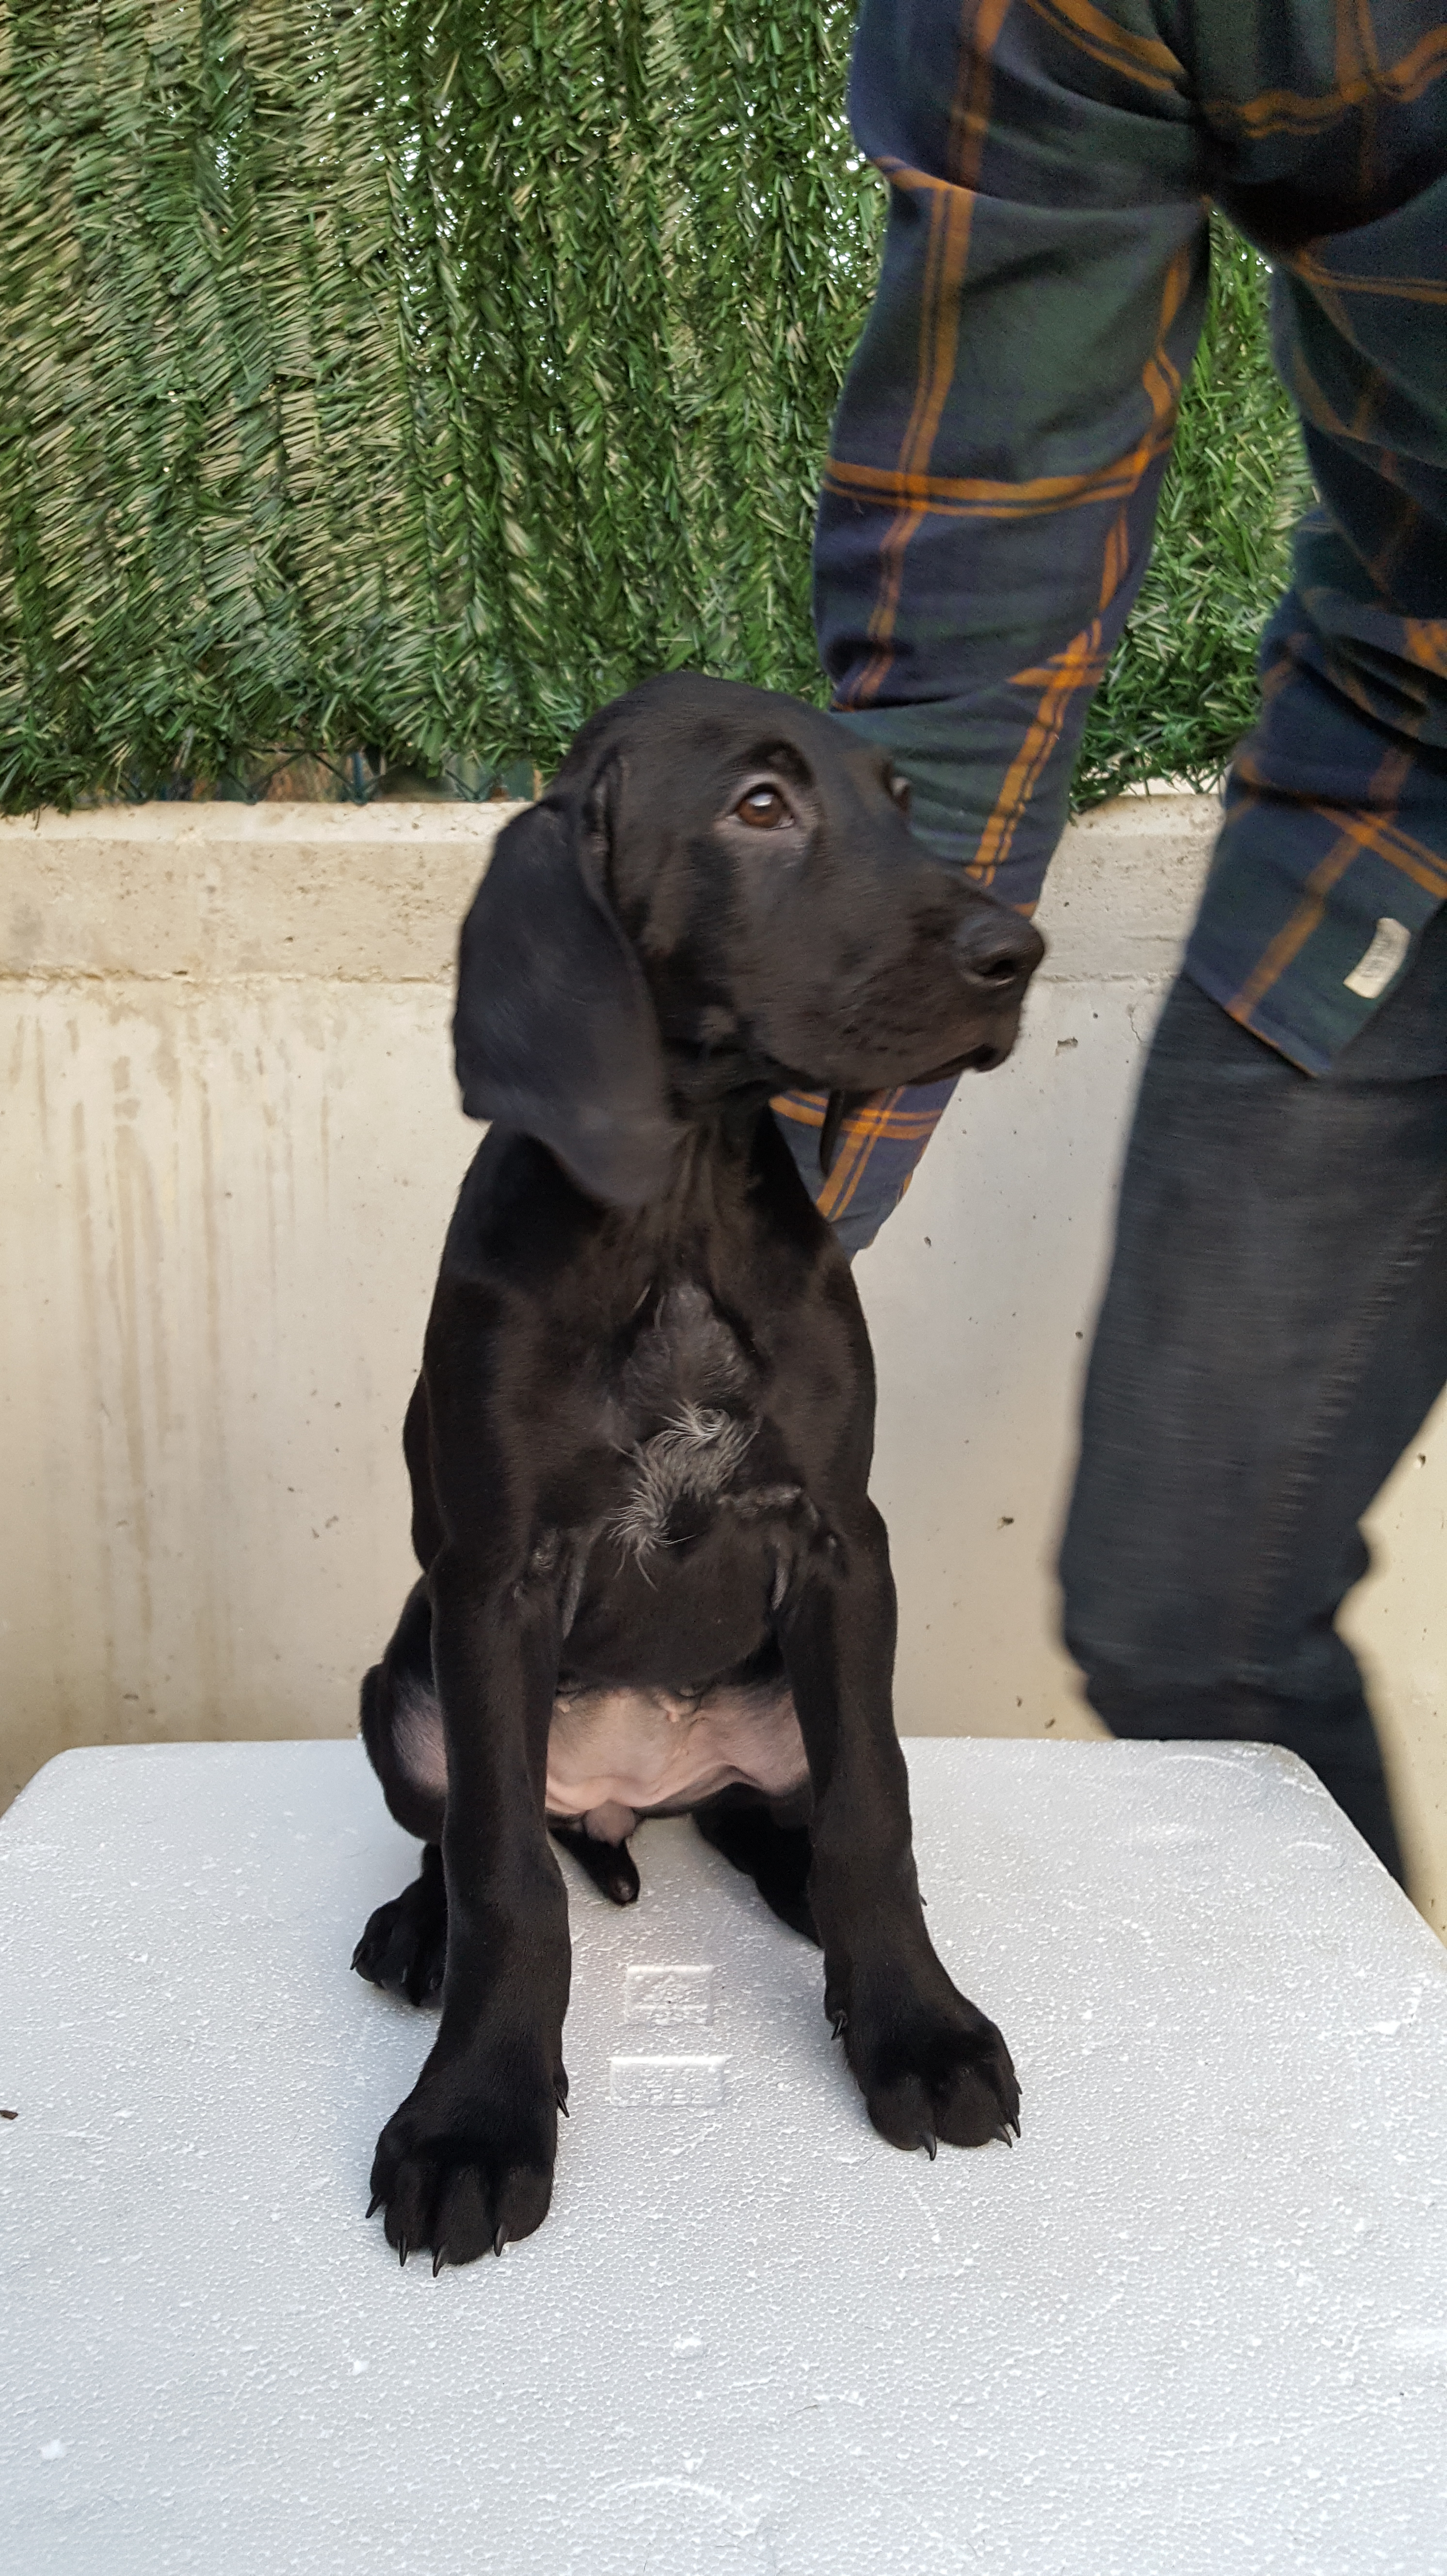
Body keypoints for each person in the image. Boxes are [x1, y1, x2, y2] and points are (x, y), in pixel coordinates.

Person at [774, 0, 1447, 1880]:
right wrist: (705, 1245)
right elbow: (973, 592)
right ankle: (1367, 2085)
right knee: (1189, 1608)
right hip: (1406, 767)